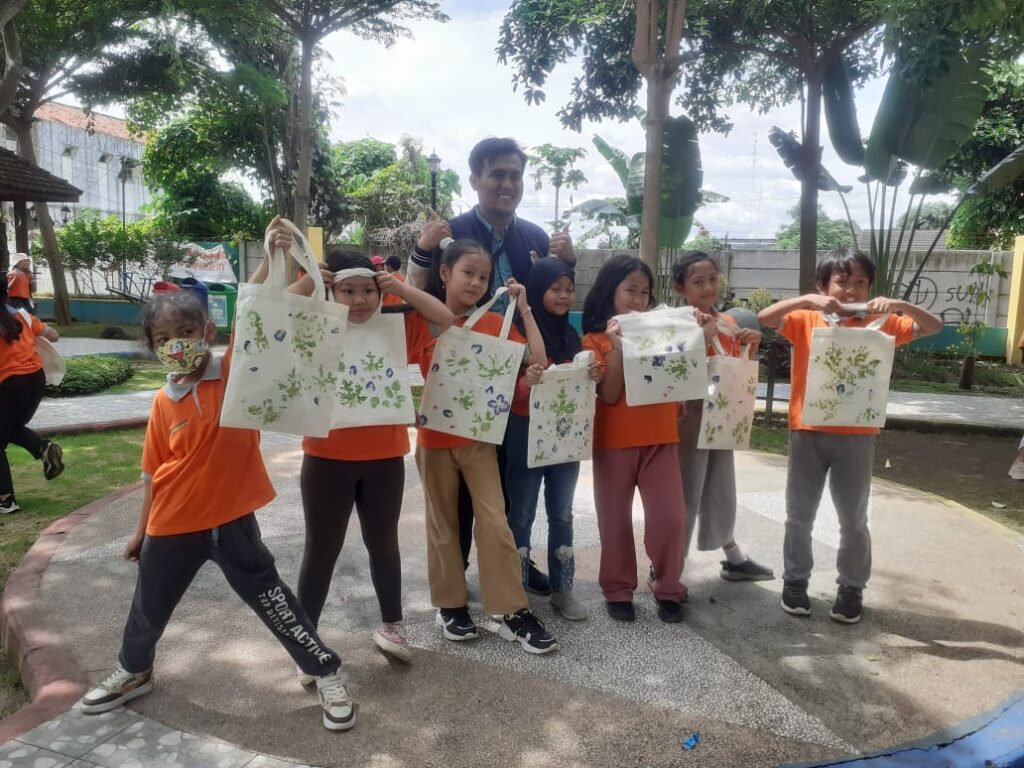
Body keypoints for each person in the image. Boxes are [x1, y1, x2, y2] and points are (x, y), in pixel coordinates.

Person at [78, 290, 356, 732]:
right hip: (170, 524)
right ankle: (134, 670)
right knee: (148, 607)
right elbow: (153, 472)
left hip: (231, 524)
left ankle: (325, 671)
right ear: (153, 346)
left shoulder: (234, 373)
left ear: (208, 331)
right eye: (164, 337)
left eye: (186, 332)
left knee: (274, 602)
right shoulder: (162, 402)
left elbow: (259, 313)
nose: (176, 344)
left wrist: (284, 264)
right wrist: (139, 531)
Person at [271, 217, 454, 666]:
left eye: (367, 291)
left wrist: (399, 288)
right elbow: (265, 314)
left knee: (383, 543)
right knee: (322, 548)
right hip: (326, 457)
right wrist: (311, 285)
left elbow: (445, 318)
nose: (359, 301)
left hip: (385, 459)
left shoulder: (395, 325)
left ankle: (393, 624)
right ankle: (305, 638)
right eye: (348, 291)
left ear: (379, 291)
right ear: (333, 292)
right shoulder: (313, 325)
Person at [408, 137, 577, 587]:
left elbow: (554, 300)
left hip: (520, 376)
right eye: (497, 174)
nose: (507, 183)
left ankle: (512, 564)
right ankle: (458, 579)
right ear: (476, 180)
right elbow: (418, 292)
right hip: (465, 377)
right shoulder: (453, 232)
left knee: (510, 485)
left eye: (515, 175)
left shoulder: (536, 239)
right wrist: (422, 253)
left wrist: (569, 263)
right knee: (463, 487)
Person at [758, 248, 942, 624]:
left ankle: (852, 587)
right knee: (799, 515)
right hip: (807, 431)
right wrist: (808, 299)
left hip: (857, 435)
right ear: (825, 285)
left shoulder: (885, 324)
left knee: (853, 518)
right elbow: (766, 318)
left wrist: (901, 304)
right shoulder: (807, 319)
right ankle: (795, 582)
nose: (852, 290)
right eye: (842, 281)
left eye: (861, 282)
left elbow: (935, 326)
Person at [412, 238, 558, 654]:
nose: (476, 282)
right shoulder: (424, 319)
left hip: (479, 439)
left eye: (483, 275)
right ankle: (450, 606)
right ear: (445, 273)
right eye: (467, 273)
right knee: (443, 525)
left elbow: (538, 357)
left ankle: (512, 611)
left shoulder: (497, 322)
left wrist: (525, 307)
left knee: (495, 522)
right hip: (435, 438)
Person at [580, 254, 696, 624]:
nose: (638, 299)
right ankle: (617, 589)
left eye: (644, 292)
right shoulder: (594, 340)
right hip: (613, 440)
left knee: (671, 517)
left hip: (662, 437)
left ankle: (667, 586)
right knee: (613, 520)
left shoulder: (664, 332)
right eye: (630, 290)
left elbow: (682, 377)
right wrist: (616, 345)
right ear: (609, 292)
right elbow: (610, 394)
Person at [505, 259, 599, 621]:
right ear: (538, 287)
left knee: (561, 514)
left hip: (565, 436)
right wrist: (526, 309)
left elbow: (577, 380)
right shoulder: (515, 331)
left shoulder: (571, 334)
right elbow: (517, 386)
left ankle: (563, 589)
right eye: (554, 288)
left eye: (568, 289)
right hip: (525, 431)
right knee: (522, 514)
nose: (563, 295)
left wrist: (590, 371)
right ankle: (517, 586)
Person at [671, 252, 774, 583]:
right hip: (688, 418)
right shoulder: (675, 322)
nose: (708, 287)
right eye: (698, 281)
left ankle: (732, 556)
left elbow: (732, 371)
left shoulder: (728, 323)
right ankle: (670, 566)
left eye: (713, 279)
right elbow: (670, 371)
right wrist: (701, 334)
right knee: (686, 492)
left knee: (721, 487)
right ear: (680, 287)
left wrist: (751, 344)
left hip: (722, 416)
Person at [0, 280, 64, 514]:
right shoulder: (23, 316)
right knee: (9, 428)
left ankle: (6, 500)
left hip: (9, 384)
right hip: (35, 380)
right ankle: (43, 448)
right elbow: (54, 335)